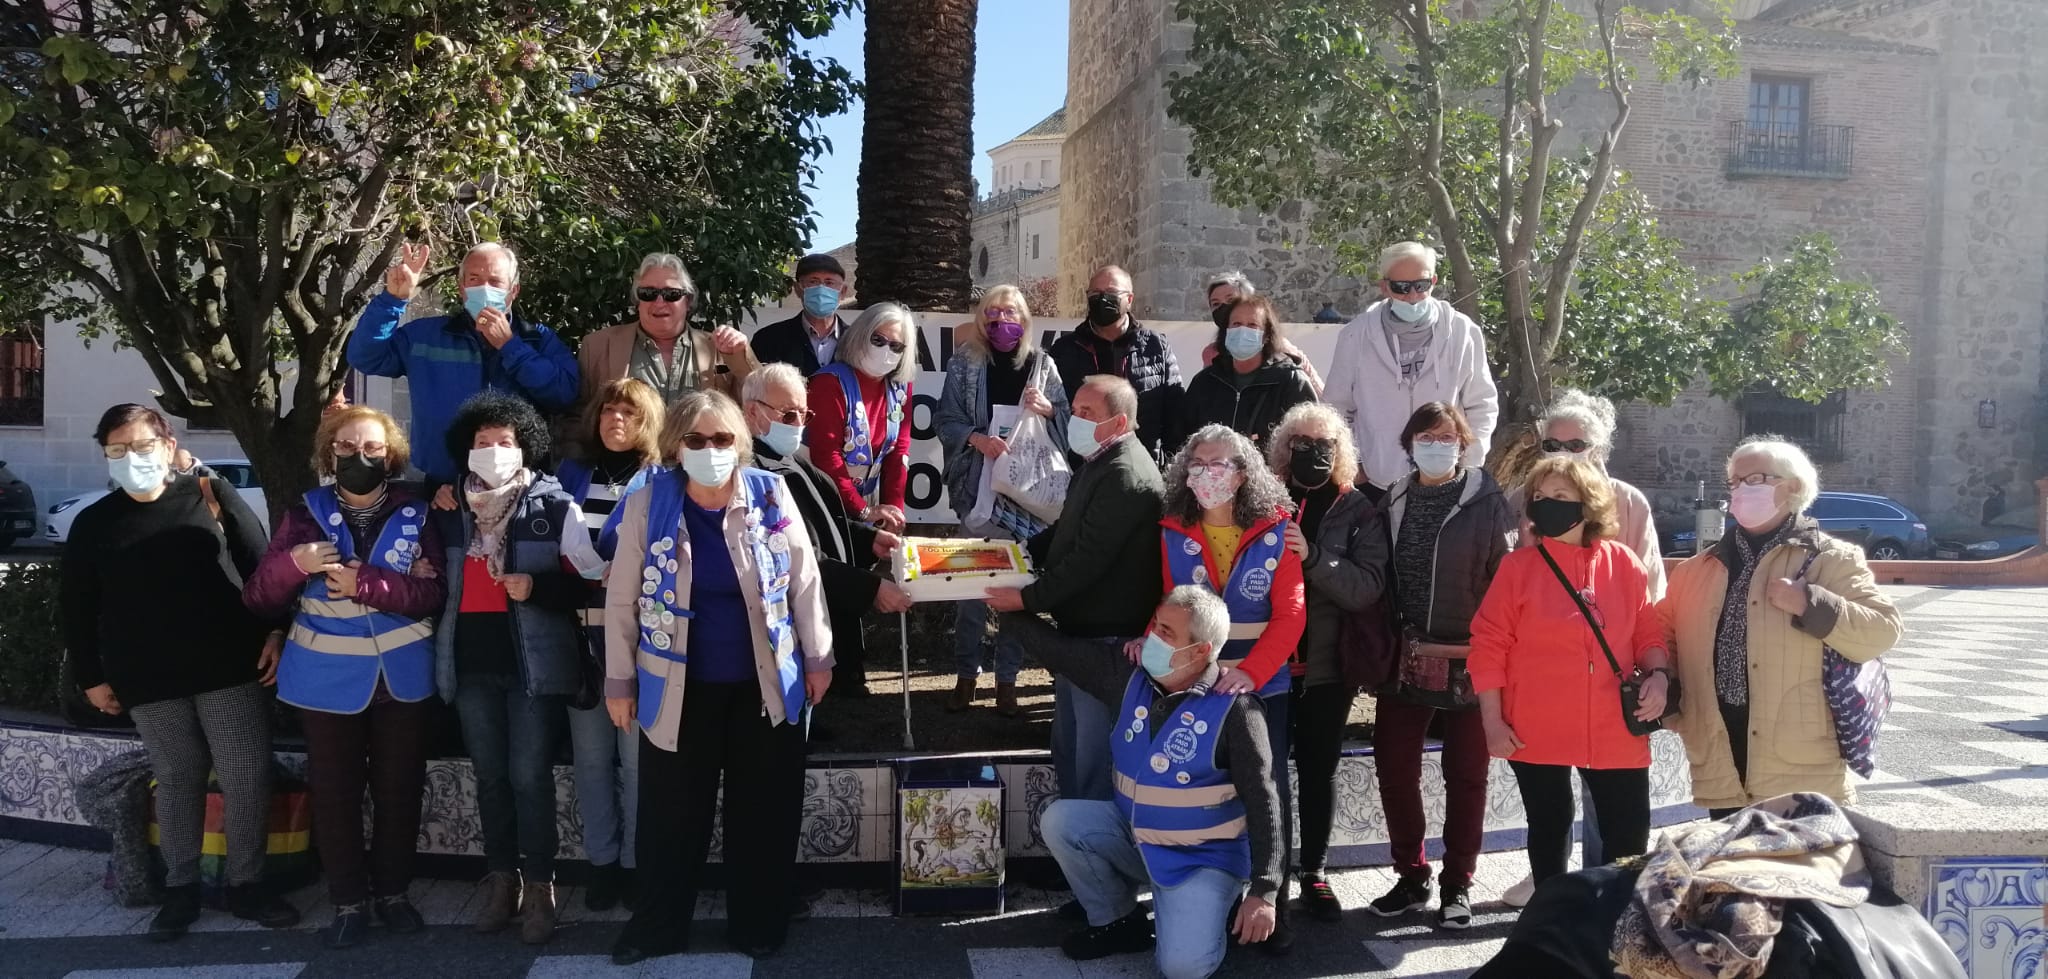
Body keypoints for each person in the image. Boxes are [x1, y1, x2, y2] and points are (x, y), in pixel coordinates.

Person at [603, 391, 834, 965]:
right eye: (697, 440)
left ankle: (758, 922)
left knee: (764, 811)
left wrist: (819, 658)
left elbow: (806, 584)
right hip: (678, 689)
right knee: (670, 816)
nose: (711, 450)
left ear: (742, 443)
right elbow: (622, 600)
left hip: (765, 687)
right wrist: (619, 680)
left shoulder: (771, 494)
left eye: (723, 439)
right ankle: (657, 927)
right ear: (676, 446)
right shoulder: (649, 502)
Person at [60, 404, 300, 940]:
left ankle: (247, 884)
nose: (132, 458)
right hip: (147, 677)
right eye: (117, 450)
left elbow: (266, 572)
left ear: (168, 445)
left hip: (230, 665)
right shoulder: (94, 523)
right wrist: (92, 678)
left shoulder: (211, 498)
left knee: (244, 775)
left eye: (142, 446)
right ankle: (181, 888)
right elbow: (75, 609)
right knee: (177, 779)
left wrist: (278, 632)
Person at [242, 407, 444, 948]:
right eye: (349, 447)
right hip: (325, 682)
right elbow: (260, 597)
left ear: (391, 454)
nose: (361, 456)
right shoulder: (304, 515)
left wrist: (370, 584)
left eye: (373, 448)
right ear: (330, 453)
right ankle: (349, 901)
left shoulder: (418, 513)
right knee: (336, 795)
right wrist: (297, 565)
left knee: (399, 792)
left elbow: (434, 595)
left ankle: (394, 894)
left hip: (401, 679)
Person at [1026, 586, 1282, 978]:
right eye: (1155, 626)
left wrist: (1265, 891)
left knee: (1181, 968)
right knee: (1063, 820)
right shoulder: (1129, 676)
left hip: (1202, 861)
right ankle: (1119, 921)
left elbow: (1265, 802)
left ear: (1200, 651)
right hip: (1139, 840)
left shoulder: (1237, 711)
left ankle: (1217, 906)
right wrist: (996, 600)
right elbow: (1056, 649)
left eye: (1166, 633)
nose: (1152, 639)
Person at [433, 391, 604, 944]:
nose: (493, 451)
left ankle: (539, 885)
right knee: (490, 777)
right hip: (471, 663)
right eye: (482, 443)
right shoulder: (446, 507)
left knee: (529, 777)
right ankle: (500, 878)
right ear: (466, 448)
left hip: (533, 664)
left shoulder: (553, 505)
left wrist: (538, 587)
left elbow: (591, 579)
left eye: (504, 442)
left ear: (524, 447)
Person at [1662, 437, 1903, 818]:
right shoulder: (1695, 570)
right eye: (1734, 483)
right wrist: (1666, 691)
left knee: (1798, 874)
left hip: (1800, 765)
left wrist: (1811, 603)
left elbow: (1882, 631)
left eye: (1754, 479)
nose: (1740, 491)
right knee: (1733, 874)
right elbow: (1665, 638)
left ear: (1792, 487)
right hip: (1722, 758)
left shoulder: (1832, 560)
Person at [1469, 455, 1672, 889]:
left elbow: (1648, 634)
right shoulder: (1517, 569)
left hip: (1615, 726)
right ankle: (1551, 923)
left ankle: (1619, 932)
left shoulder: (1625, 564)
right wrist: (1492, 720)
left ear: (1589, 503)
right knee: (1548, 828)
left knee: (1628, 837)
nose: (1546, 504)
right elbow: (1488, 646)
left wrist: (1658, 676)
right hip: (1535, 725)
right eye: (1539, 497)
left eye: (1560, 496)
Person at [1156, 422, 1307, 949]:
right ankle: (1214, 903)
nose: (1205, 475)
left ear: (1243, 474)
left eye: (1218, 465)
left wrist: (1252, 673)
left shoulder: (1277, 527)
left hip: (1263, 687)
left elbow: (1290, 615)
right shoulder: (1173, 527)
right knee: (1207, 790)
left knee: (1267, 795)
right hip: (1197, 689)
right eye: (1196, 465)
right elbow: (1165, 605)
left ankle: (1274, 909)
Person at [985, 375, 1164, 806]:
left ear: (1119, 422)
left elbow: (1088, 559)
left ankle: (1093, 858)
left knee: (1092, 760)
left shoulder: (1124, 473)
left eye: (1088, 414)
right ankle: (1075, 850)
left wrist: (1026, 599)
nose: (1075, 420)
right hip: (1081, 634)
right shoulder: (1101, 460)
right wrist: (1018, 553)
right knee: (1068, 748)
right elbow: (1067, 530)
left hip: (1106, 641)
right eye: (1076, 409)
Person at [1368, 402, 1512, 929]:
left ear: (1463, 442)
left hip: (1472, 660)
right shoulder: (1395, 499)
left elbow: (1505, 582)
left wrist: (1490, 649)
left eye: (1447, 435)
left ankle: (1458, 884)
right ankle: (1411, 874)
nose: (1436, 444)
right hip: (1405, 660)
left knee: (1467, 775)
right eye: (1426, 436)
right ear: (1409, 444)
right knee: (1394, 766)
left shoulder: (1487, 502)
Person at [1266, 402, 1390, 922]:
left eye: (1324, 445)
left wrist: (1313, 557)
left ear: (1340, 452)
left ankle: (1313, 872)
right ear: (1283, 448)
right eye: (1301, 443)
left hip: (1326, 668)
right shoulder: (1263, 499)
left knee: (1319, 770)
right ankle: (1265, 872)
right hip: (1265, 665)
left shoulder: (1359, 509)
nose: (1312, 453)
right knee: (1262, 773)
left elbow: (1368, 588)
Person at [553, 378, 666, 913]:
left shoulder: (663, 481)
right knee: (592, 759)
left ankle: (640, 866)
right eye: (608, 411)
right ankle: (602, 864)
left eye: (629, 412)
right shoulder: (571, 475)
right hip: (580, 637)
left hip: (641, 642)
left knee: (638, 761)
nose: (616, 420)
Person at [935, 283, 1070, 715]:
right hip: (979, 488)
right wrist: (976, 438)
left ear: (1025, 320)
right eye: (992, 313)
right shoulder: (965, 364)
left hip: (1026, 496)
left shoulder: (1043, 365)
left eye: (1010, 313)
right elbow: (945, 418)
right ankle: (965, 675)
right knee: (971, 589)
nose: (1001, 321)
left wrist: (1049, 410)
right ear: (981, 319)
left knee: (1016, 590)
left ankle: (1007, 681)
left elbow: (1071, 421)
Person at [347, 241, 579, 487]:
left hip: (517, 489)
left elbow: (564, 393)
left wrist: (511, 347)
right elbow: (365, 356)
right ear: (461, 288)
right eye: (475, 279)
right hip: (443, 489)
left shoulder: (538, 339)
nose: (484, 288)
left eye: (495, 281)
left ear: (513, 291)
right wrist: (392, 301)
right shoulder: (426, 336)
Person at [744, 363, 910, 701]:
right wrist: (870, 588)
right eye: (788, 415)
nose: (797, 427)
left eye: (804, 417)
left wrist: (867, 539)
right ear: (752, 412)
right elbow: (794, 557)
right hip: (784, 630)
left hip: (821, 614)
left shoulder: (793, 459)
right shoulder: (751, 473)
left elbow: (825, 524)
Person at [1325, 242, 1499, 490]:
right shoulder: (1355, 336)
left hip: (1446, 480)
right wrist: (1354, 465)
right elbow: (1336, 408)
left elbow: (1482, 405)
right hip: (1377, 483)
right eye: (1401, 288)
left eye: (1421, 285)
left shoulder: (1463, 332)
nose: (1413, 296)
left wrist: (1469, 464)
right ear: (1384, 286)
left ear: (1434, 281)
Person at [567, 253, 758, 455]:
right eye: (648, 293)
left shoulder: (718, 347)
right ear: (637, 301)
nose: (659, 302)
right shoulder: (598, 346)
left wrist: (742, 359)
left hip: (698, 471)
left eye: (671, 294)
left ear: (688, 300)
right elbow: (576, 418)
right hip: (625, 475)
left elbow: (760, 407)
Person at [1048, 265, 1184, 461]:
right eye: (1096, 293)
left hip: (1142, 468)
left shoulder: (1157, 347)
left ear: (1129, 299)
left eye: (1111, 292)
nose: (1102, 299)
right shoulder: (1064, 350)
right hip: (1082, 471)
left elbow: (1175, 414)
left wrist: (1168, 469)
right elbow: (1056, 411)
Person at [805, 302, 915, 534]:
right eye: (878, 340)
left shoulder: (900, 388)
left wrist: (894, 511)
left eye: (896, 346)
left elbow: (899, 452)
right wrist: (862, 510)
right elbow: (826, 456)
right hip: (821, 504)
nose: (886, 350)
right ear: (860, 335)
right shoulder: (829, 383)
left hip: (867, 510)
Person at [1177, 295, 1318, 448]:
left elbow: (1309, 443)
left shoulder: (1291, 382)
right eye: (1236, 324)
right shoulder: (1205, 382)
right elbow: (1183, 441)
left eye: (1252, 325)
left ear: (1266, 336)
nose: (1243, 331)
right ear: (1226, 332)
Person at [1200, 272, 1324, 396]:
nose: (1223, 308)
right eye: (1216, 304)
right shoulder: (1211, 353)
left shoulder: (1280, 348)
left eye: (1231, 300)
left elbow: (1317, 394)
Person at [751, 252, 852, 375]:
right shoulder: (768, 339)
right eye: (813, 281)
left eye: (829, 282)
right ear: (798, 289)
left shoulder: (857, 341)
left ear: (843, 291)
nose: (821, 289)